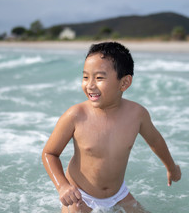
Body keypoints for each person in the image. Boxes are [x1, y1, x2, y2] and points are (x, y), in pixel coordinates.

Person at [42, 42, 181, 212]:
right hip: (80, 195)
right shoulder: (76, 115)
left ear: (124, 83)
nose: (90, 85)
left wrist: (171, 168)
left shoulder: (137, 114)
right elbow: (50, 153)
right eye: (85, 77)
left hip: (118, 193)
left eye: (99, 78)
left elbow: (155, 141)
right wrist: (62, 186)